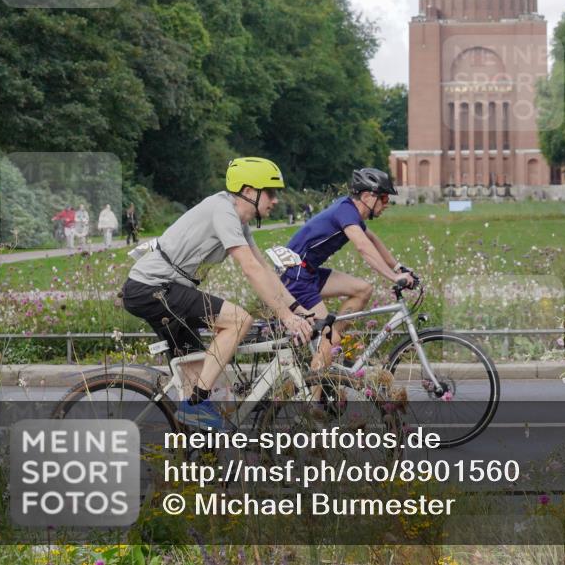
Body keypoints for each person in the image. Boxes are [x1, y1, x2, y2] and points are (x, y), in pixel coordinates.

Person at [121, 158, 313, 429]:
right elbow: (248, 268)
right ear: (249, 191)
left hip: (167, 290)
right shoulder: (222, 210)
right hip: (151, 288)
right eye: (271, 192)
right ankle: (195, 405)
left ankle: (195, 452)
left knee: (199, 375)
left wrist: (296, 309)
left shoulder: (238, 220)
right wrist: (284, 316)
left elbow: (263, 269)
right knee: (238, 320)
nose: (276, 200)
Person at [282, 168, 415, 380]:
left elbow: (372, 240)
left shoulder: (351, 212)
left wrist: (399, 267)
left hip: (309, 272)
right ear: (366, 197)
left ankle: (333, 337)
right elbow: (363, 247)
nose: (387, 203)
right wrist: (393, 278)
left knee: (363, 289)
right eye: (383, 197)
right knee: (328, 340)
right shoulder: (346, 212)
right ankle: (311, 406)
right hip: (297, 276)